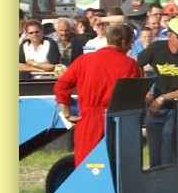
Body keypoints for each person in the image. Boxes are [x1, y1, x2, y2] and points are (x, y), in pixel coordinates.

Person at [54, 24, 141, 166]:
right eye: (131, 43)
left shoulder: (84, 60)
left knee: (87, 166)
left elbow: (61, 86)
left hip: (88, 121)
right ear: (123, 42)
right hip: (115, 121)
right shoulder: (129, 64)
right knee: (116, 165)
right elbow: (132, 96)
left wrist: (67, 113)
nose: (131, 47)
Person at [137, 16, 178, 167]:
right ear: (169, 35)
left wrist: (162, 99)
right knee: (154, 151)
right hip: (156, 107)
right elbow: (136, 62)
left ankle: (169, 174)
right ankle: (155, 175)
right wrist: (144, 89)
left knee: (168, 140)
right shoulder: (156, 48)